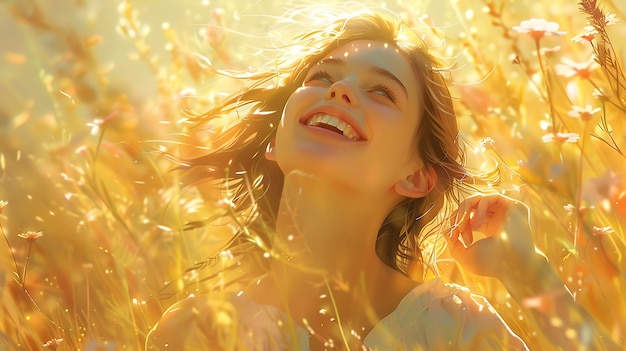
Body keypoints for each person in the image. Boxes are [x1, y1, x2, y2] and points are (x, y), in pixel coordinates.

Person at [146, 8, 618, 351]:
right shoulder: (197, 333)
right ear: (274, 142)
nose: (339, 89)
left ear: (415, 176)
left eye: (381, 91)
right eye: (321, 76)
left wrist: (527, 271)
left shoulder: (450, 328)